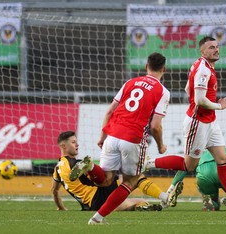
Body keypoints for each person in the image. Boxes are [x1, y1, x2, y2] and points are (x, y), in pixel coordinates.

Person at [145, 36, 226, 214]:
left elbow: (188, 89)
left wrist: (212, 110)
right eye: (211, 47)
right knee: (189, 165)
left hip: (210, 121)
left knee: (223, 159)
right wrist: (219, 106)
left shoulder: (202, 65)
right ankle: (149, 163)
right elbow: (199, 100)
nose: (216, 50)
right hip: (198, 123)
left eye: (217, 47)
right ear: (203, 51)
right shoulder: (204, 70)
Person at [69, 52, 179, 224]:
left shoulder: (130, 82)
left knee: (106, 180)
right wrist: (160, 146)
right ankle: (97, 219)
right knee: (131, 181)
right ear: (164, 69)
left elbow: (110, 111)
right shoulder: (163, 91)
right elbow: (155, 126)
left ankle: (90, 166)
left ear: (145, 67)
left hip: (112, 134)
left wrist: (102, 136)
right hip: (132, 138)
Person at [51, 131, 165, 212]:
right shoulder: (76, 164)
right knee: (137, 178)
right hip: (100, 193)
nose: (77, 144)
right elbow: (100, 179)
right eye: (73, 142)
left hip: (91, 205)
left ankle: (138, 206)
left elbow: (54, 190)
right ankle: (165, 197)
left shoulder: (57, 169)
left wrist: (61, 207)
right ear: (63, 146)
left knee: (136, 202)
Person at [167, 147, 226, 212]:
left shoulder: (202, 151)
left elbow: (184, 168)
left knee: (215, 205)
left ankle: (209, 201)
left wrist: (170, 189)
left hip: (204, 173)